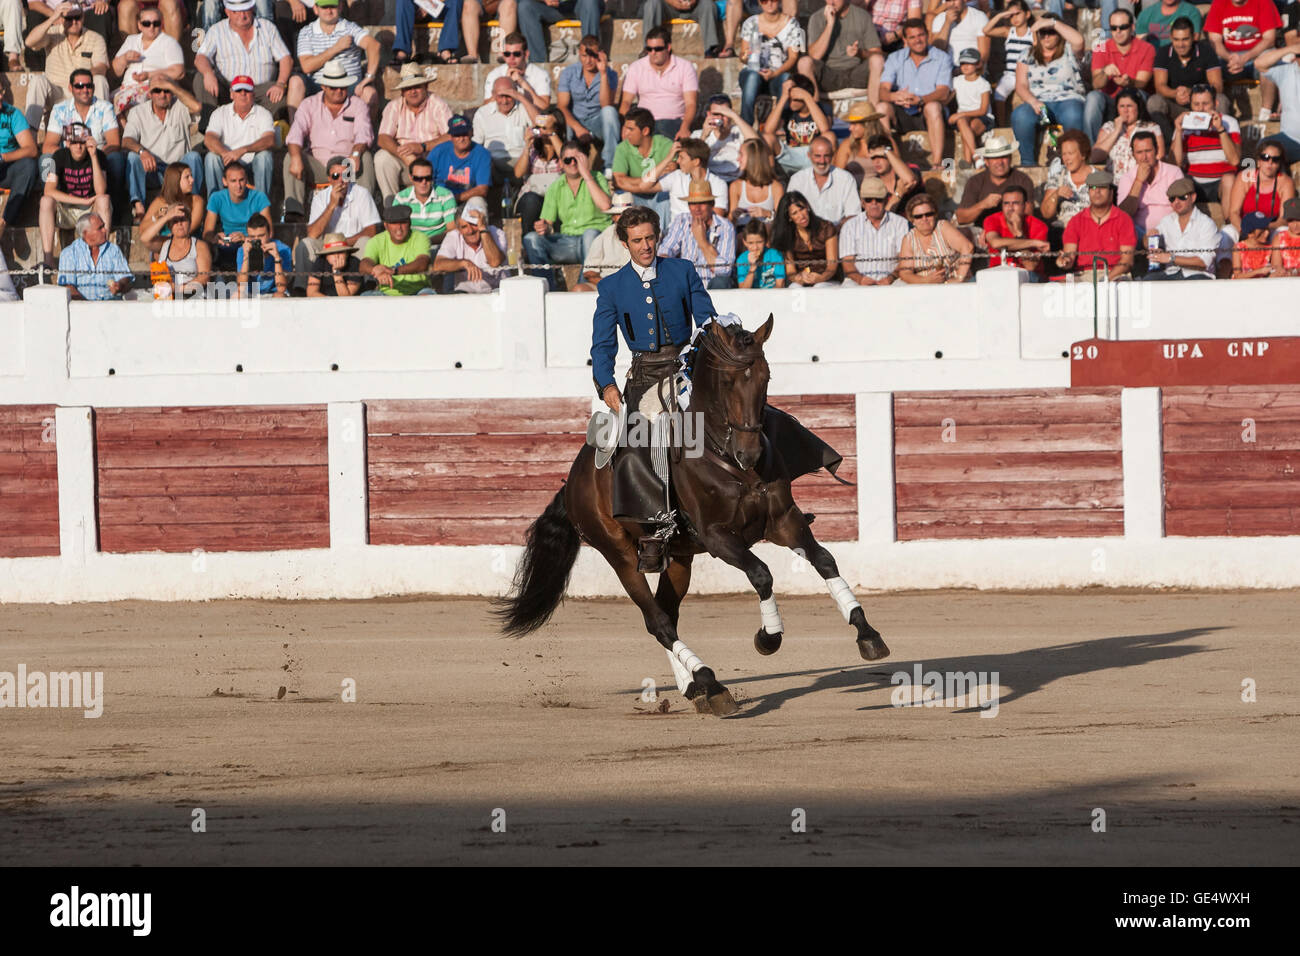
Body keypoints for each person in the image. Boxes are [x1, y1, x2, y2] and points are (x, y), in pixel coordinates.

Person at [590, 203, 719, 568]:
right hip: (644, 376)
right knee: (635, 445)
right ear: (624, 243)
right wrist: (606, 385)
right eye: (637, 240)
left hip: (684, 370)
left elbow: (707, 320)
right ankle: (653, 530)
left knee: (716, 428)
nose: (645, 246)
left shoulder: (682, 270)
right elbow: (602, 345)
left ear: (658, 237)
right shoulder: (612, 287)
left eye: (649, 238)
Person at [283, 60, 376, 220]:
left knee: (365, 156)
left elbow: (364, 133)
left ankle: (365, 210)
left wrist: (355, 153)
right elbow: (295, 132)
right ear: (324, 87)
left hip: (347, 164)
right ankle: (294, 213)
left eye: (343, 86)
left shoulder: (358, 105)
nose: (339, 90)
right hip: (319, 166)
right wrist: (296, 157)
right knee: (291, 156)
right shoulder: (309, 104)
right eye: (334, 87)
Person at [524, 140, 613, 288]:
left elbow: (605, 205)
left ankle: (584, 288)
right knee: (531, 238)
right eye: (568, 159)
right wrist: (543, 227)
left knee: (590, 234)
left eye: (577, 159)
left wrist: (586, 175)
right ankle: (546, 289)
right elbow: (547, 223)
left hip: (595, 241)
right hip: (567, 242)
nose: (572, 163)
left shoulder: (597, 177)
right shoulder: (555, 186)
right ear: (561, 163)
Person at [193, 0, 293, 123]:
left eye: (245, 10)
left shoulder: (267, 27)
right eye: (236, 12)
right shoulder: (217, 30)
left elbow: (285, 58)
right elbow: (200, 57)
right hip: (228, 88)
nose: (242, 15)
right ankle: (210, 126)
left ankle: (256, 125)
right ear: (227, 12)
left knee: (283, 96)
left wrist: (281, 83)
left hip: (260, 90)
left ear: (252, 9)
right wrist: (208, 74)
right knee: (201, 78)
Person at [122, 80, 204, 223]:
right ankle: (139, 208)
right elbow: (126, 140)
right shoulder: (138, 112)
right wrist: (142, 151)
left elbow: (197, 106)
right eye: (157, 90)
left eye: (166, 91)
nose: (162, 94)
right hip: (151, 171)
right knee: (133, 157)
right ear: (150, 94)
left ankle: (192, 205)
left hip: (177, 172)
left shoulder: (180, 107)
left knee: (194, 157)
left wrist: (172, 86)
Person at [294, 153, 382, 285]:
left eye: (345, 175)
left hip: (353, 246)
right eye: (336, 176)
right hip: (327, 247)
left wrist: (343, 244)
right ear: (329, 178)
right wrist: (331, 205)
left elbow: (372, 230)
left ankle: (368, 286)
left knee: (366, 242)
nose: (341, 180)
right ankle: (302, 289)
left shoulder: (362, 193)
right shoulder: (320, 198)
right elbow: (312, 234)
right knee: (305, 245)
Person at [1011, 14, 1087, 166]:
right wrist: (1033, 102)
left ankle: (1074, 160)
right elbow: (1020, 85)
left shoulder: (1069, 50)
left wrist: (1053, 23)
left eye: (1050, 32)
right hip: (1040, 104)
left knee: (1072, 114)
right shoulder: (1027, 54)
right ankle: (1028, 163)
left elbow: (1079, 40)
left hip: (1068, 100)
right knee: (1020, 115)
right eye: (1042, 32)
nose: (1046, 36)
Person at [23, 2, 111, 131]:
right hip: (56, 91)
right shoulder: (53, 33)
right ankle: (30, 135)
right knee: (37, 80)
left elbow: (101, 67)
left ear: (83, 17)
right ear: (62, 19)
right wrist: (53, 18)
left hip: (83, 90)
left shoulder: (95, 38)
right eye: (69, 18)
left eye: (77, 17)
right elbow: (29, 42)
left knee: (100, 80)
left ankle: (102, 134)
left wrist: (80, 79)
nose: (74, 22)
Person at [878, 18, 953, 169]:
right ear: (905, 40)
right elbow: (883, 91)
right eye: (912, 37)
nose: (917, 40)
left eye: (920, 35)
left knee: (932, 107)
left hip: (927, 111)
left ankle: (937, 163)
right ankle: (894, 163)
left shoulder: (942, 58)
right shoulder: (895, 58)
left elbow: (943, 91)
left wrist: (920, 100)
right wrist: (895, 96)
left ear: (927, 35)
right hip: (902, 110)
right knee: (881, 109)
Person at [375, 64, 453, 201]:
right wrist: (404, 155)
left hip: (431, 163)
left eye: (416, 87)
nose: (413, 92)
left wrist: (423, 146)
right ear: (402, 92)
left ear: (426, 87)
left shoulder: (438, 104)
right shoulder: (394, 106)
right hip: (404, 162)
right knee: (382, 158)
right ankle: (391, 205)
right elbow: (382, 138)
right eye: (408, 88)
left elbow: (451, 135)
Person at [289, 0, 380, 113]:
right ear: (316, 9)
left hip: (349, 86)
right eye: (324, 7)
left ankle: (364, 130)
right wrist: (336, 48)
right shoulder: (306, 32)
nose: (328, 10)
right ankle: (294, 129)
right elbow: (307, 66)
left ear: (340, 7)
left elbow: (374, 46)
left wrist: (369, 77)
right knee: (295, 82)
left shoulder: (350, 28)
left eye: (332, 6)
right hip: (319, 86)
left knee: (370, 93)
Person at [39, 131, 111, 268]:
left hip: (91, 211)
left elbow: (101, 191)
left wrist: (94, 156)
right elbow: (48, 190)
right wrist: (82, 201)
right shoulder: (59, 156)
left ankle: (103, 257)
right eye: (74, 143)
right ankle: (48, 260)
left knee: (104, 199)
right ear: (67, 143)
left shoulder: (99, 156)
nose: (78, 147)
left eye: (82, 143)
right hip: (68, 208)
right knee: (45, 201)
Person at [40, 69, 121, 190]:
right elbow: (48, 146)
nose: (84, 90)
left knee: (116, 158)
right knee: (46, 160)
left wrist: (90, 157)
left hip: (97, 159)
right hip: (68, 161)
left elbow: (114, 144)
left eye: (88, 86)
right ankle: (52, 199)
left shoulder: (105, 108)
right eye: (79, 86)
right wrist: (72, 156)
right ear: (70, 88)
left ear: (93, 87)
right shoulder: (60, 109)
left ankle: (113, 202)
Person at [1084, 8, 1156, 143]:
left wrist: (1129, 83)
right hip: (1110, 101)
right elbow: (1096, 84)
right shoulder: (1101, 47)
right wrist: (1105, 72)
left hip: (1136, 100)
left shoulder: (1146, 48)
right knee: (1093, 97)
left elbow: (1142, 83)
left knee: (1138, 94)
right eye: (1113, 28)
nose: (1118, 32)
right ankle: (1092, 149)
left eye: (1123, 27)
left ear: (1132, 27)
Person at [799, 0, 884, 109]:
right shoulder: (816, 18)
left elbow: (877, 52)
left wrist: (860, 53)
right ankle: (815, 113)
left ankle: (874, 113)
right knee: (804, 62)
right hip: (829, 74)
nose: (832, 2)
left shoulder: (862, 16)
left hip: (855, 72)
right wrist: (830, 24)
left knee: (877, 60)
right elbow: (815, 56)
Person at [1148, 17, 1230, 129]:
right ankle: (1169, 141)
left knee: (1221, 100)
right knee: (1154, 101)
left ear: (1194, 37)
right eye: (1176, 39)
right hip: (1176, 105)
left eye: (1185, 39)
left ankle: (1219, 139)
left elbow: (1218, 86)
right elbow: (1159, 86)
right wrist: (1175, 94)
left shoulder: (1206, 50)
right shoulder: (1163, 52)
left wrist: (1192, 93)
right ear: (1171, 38)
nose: (1180, 44)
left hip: (1203, 105)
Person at [1205, 0, 1281, 121]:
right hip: (1228, 58)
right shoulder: (1218, 3)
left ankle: (1266, 111)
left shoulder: (1263, 2)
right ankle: (1216, 112)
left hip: (1256, 56)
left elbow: (1269, 39)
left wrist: (1245, 57)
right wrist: (1230, 58)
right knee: (1209, 63)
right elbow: (1215, 41)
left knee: (1269, 58)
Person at [620, 26, 700, 140]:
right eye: (649, 49)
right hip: (644, 122)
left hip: (674, 122)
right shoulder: (636, 67)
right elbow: (626, 102)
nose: (653, 53)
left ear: (668, 47)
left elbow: (691, 104)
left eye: (658, 49)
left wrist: (685, 127)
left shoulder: (685, 67)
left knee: (662, 128)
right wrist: (625, 126)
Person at [202, 75, 275, 199]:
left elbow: (269, 139)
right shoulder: (220, 113)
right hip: (227, 162)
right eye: (238, 90)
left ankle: (261, 210)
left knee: (265, 157)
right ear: (231, 94)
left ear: (253, 94)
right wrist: (226, 153)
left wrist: (242, 150)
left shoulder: (263, 113)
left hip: (252, 164)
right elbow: (209, 139)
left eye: (247, 90)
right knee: (211, 158)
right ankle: (216, 208)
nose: (243, 94)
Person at [1055, 169, 1136, 279]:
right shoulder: (1076, 221)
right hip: (1084, 275)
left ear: (1111, 192)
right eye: (1093, 188)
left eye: (1102, 187)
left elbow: (1127, 262)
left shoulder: (1124, 219)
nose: (1097, 191)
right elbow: (1070, 255)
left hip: (1115, 274)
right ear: (1088, 192)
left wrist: (1106, 279)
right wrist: (1064, 261)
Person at [658, 179, 738, 289]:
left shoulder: (725, 226)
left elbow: (725, 270)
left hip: (713, 285)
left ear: (712, 204)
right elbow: (665, 251)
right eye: (693, 203)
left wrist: (702, 241)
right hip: (686, 283)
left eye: (702, 203)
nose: (697, 208)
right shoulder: (682, 220)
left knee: (721, 281)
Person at [557, 35, 620, 171]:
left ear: (600, 54)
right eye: (584, 56)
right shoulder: (569, 73)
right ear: (579, 54)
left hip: (598, 122)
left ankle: (610, 166)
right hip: (576, 120)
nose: (588, 60)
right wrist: (577, 127)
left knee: (610, 112)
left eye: (592, 55)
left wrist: (603, 74)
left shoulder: (611, 74)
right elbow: (562, 106)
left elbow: (606, 105)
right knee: (567, 118)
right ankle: (569, 165)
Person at [738, 0, 805, 126]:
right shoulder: (751, 22)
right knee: (752, 76)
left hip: (777, 74)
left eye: (773, 0)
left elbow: (793, 57)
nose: (769, 4)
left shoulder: (792, 24)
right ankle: (745, 125)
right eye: (764, 0)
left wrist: (775, 73)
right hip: (753, 73)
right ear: (759, 2)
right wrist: (745, 56)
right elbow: (743, 55)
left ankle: (781, 124)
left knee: (786, 79)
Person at [1170, 84, 1240, 204]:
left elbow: (1234, 160)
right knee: (1176, 180)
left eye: (1205, 104)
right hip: (1193, 183)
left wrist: (1220, 130)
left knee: (1229, 179)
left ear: (1216, 104)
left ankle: (1229, 222)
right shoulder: (1184, 125)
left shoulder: (1229, 122)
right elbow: (1174, 163)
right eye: (1196, 104)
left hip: (1221, 182)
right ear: (1190, 105)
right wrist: (1179, 131)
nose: (1200, 109)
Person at [111, 5, 185, 117]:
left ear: (161, 24)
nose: (151, 27)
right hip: (126, 88)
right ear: (139, 25)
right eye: (146, 24)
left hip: (152, 88)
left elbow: (179, 72)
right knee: (106, 105)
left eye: (156, 23)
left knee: (136, 102)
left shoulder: (169, 43)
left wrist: (149, 75)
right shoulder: (131, 40)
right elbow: (114, 71)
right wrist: (124, 58)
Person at [955, 133, 1036, 234]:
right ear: (986, 161)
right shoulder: (975, 181)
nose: (999, 162)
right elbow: (961, 218)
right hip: (982, 232)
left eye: (1003, 157)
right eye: (994, 158)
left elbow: (1028, 215)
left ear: (1010, 158)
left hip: (1013, 231)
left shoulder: (1022, 180)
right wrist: (983, 204)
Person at [1140, 176, 1217, 280]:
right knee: (1148, 281)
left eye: (1182, 197)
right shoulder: (1166, 221)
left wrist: (1171, 258)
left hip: (1198, 275)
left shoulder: (1206, 224)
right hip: (1171, 274)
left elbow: (1203, 262)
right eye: (1172, 199)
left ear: (1193, 197)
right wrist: (1148, 238)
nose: (1177, 202)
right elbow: (1147, 242)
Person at [612, 108, 677, 225]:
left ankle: (661, 237)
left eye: (630, 129)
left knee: (665, 195)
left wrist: (634, 182)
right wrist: (645, 183)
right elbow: (619, 181)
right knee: (623, 195)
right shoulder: (622, 148)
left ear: (645, 131)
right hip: (635, 197)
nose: (625, 133)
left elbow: (673, 173)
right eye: (625, 128)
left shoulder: (665, 145)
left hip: (659, 195)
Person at [839, 176, 908, 285]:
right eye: (868, 200)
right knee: (848, 289)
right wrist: (860, 279)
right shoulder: (850, 226)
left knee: (903, 286)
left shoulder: (900, 223)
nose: (874, 203)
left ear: (886, 200)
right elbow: (847, 263)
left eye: (878, 199)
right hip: (857, 280)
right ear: (862, 202)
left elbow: (904, 260)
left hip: (893, 280)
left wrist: (890, 278)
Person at [203, 160, 270, 269]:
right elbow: (207, 234)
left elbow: (269, 233)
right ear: (224, 182)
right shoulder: (216, 198)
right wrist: (216, 238)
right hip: (227, 244)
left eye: (241, 180)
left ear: (246, 180)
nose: (238, 185)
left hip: (253, 243)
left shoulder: (259, 197)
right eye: (233, 181)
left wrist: (245, 238)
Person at [433, 197, 509, 293]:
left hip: (496, 292)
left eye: (474, 224)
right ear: (459, 229)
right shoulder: (453, 236)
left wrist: (482, 229)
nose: (470, 230)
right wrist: (464, 263)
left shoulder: (497, 233)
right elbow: (438, 265)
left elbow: (495, 262)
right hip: (465, 295)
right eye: (464, 227)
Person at [1115, 129, 1182, 235]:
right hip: (1140, 234)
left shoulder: (1173, 172)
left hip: (1170, 231)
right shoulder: (1127, 177)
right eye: (1139, 152)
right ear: (1133, 154)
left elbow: (1182, 207)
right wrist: (1138, 181)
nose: (1144, 157)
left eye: (1148, 151)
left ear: (1156, 150)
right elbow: (1124, 214)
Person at [359, 200, 433, 296]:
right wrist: (375, 270)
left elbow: (422, 263)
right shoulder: (376, 241)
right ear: (386, 225)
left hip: (418, 290)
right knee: (366, 297)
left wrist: (393, 271)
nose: (399, 228)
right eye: (394, 223)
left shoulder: (420, 238)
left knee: (427, 296)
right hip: (386, 293)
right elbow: (364, 264)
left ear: (409, 223)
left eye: (403, 222)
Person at [762, 74, 831, 174]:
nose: (790, 103)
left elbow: (825, 129)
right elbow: (767, 130)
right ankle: (771, 183)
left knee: (829, 136)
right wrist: (783, 97)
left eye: (794, 99)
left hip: (815, 155)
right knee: (767, 138)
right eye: (789, 99)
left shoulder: (822, 108)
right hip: (792, 155)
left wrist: (807, 98)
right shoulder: (787, 110)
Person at [897, 193, 973, 282]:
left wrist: (959, 279)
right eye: (918, 216)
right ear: (912, 220)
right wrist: (926, 281)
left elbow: (967, 247)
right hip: (924, 288)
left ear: (935, 214)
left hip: (952, 285)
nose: (924, 219)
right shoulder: (909, 239)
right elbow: (905, 273)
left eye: (929, 214)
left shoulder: (943, 227)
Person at [474, 77, 538, 181]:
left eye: (509, 96)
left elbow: (540, 124)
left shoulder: (524, 108)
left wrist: (521, 98)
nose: (504, 101)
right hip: (493, 163)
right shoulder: (483, 113)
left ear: (515, 93)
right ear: (494, 95)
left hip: (521, 160)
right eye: (500, 96)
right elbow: (477, 143)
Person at [787, 135, 860, 227]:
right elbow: (790, 213)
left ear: (832, 156)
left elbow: (854, 216)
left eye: (826, 156)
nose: (822, 161)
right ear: (809, 155)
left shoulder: (846, 179)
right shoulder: (797, 180)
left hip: (837, 233)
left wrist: (831, 231)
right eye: (817, 156)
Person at [1092, 89, 1164, 180]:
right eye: (1122, 106)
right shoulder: (1109, 127)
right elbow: (1094, 157)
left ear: (1138, 107)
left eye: (1129, 106)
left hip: (1141, 181)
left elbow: (1159, 156)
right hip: (1113, 183)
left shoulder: (1152, 128)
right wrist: (1117, 130)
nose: (1125, 110)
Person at [57, 211, 131, 299]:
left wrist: (119, 285)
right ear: (86, 233)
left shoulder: (113, 250)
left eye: (104, 226)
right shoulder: (69, 253)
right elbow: (68, 287)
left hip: (111, 307)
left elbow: (125, 277)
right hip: (82, 309)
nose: (105, 230)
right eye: (100, 228)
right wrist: (90, 308)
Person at [771, 190, 839, 286]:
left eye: (802, 209)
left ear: (807, 207)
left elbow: (832, 266)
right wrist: (799, 278)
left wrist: (821, 278)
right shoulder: (788, 234)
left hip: (827, 279)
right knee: (795, 289)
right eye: (795, 213)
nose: (801, 216)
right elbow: (791, 272)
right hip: (803, 279)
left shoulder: (826, 228)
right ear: (789, 217)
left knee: (820, 288)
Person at [1228, 141, 1295, 237]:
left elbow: (1283, 219)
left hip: (1271, 228)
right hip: (1244, 227)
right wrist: (1246, 230)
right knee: (1228, 231)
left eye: (1275, 159)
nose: (1270, 162)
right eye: (1265, 158)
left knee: (1282, 231)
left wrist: (1262, 229)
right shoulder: (1245, 177)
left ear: (1280, 163)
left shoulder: (1286, 182)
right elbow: (1234, 212)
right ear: (1258, 161)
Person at [982, 184, 1049, 280]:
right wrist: (1033, 242)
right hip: (997, 274)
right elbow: (995, 243)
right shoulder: (992, 220)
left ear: (1025, 205)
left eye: (1015, 203)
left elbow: (1030, 266)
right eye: (1006, 203)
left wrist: (1019, 232)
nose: (1010, 208)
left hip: (1027, 276)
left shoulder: (1039, 226)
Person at [983, 0, 1035, 124]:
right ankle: (1001, 125)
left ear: (1027, 14)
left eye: (1017, 13)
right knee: (999, 94)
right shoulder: (1008, 31)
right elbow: (986, 30)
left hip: (1029, 74)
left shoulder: (1032, 33)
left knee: (1035, 97)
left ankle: (1043, 123)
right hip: (1010, 74)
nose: (1014, 18)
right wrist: (1001, 15)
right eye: (1011, 15)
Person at [139, 161, 206, 256]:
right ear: (176, 180)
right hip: (166, 242)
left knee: (162, 250)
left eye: (191, 176)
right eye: (187, 177)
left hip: (188, 242)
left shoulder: (196, 200)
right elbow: (143, 230)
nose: (192, 180)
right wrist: (157, 216)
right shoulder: (160, 201)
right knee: (152, 243)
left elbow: (190, 228)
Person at [512, 109, 565, 228]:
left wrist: (552, 134)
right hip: (532, 197)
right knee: (531, 200)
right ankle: (527, 239)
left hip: (555, 198)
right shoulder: (533, 151)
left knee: (557, 204)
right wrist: (527, 145)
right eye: (539, 127)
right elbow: (518, 174)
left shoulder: (565, 148)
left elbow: (566, 160)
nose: (542, 130)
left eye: (545, 127)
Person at [1039, 128, 1098, 234]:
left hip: (1092, 232)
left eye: (1070, 153)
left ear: (1083, 154)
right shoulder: (1057, 178)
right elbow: (1046, 213)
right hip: (1064, 233)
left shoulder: (1099, 178)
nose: (1066, 158)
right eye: (1064, 154)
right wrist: (1056, 195)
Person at [150, 197, 212, 297]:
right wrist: (165, 218)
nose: (179, 224)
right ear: (170, 225)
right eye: (175, 221)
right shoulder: (164, 246)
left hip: (194, 297)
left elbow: (204, 278)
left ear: (189, 222)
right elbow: (146, 239)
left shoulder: (200, 246)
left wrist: (177, 288)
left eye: (183, 219)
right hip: (169, 298)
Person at [658, 138, 728, 223]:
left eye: (681, 158)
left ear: (696, 162)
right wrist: (668, 158)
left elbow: (716, 219)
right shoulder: (676, 176)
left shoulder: (719, 184)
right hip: (676, 232)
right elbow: (645, 185)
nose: (677, 161)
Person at [391, 158, 456, 246]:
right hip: (410, 245)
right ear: (411, 178)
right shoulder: (401, 198)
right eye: (418, 178)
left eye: (428, 178)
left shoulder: (446, 196)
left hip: (439, 245)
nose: (423, 182)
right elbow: (395, 229)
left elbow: (452, 230)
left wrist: (427, 242)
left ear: (432, 177)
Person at [573, 195, 632, 291]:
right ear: (613, 217)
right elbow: (589, 272)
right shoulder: (603, 238)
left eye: (626, 214)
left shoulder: (642, 235)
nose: (623, 218)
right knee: (578, 289)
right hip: (607, 283)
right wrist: (609, 286)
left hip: (635, 284)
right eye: (618, 214)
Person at [428, 113, 493, 202]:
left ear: (472, 132)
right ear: (451, 137)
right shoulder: (438, 151)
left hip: (468, 199)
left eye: (465, 134)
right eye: (457, 135)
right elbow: (425, 178)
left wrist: (453, 199)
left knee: (478, 202)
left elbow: (482, 189)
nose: (461, 138)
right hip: (440, 198)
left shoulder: (482, 154)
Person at [518, 0, 604, 64]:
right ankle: (538, 65)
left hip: (582, 4)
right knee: (525, 7)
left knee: (590, 2)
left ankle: (591, 58)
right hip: (550, 8)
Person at [1257, 39, 1300, 163]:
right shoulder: (1287, 71)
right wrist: (1289, 49)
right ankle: (1273, 182)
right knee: (1265, 147)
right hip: (1290, 139)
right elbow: (1259, 64)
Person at [483, 32, 552, 107]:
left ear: (526, 54)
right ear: (503, 55)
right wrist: (506, 82)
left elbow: (544, 106)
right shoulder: (494, 74)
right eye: (507, 54)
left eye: (516, 54)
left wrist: (523, 83)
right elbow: (486, 107)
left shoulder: (540, 74)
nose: (511, 58)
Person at [729, 136, 785, 228]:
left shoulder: (775, 187)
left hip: (767, 233)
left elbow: (782, 220)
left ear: (753, 158)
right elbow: (730, 223)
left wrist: (766, 213)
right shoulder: (736, 186)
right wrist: (734, 215)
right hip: (742, 234)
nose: (738, 159)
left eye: (741, 155)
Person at [950, 48, 993, 167]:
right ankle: (976, 158)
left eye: (969, 63)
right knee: (963, 124)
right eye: (963, 63)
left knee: (970, 128)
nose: (965, 66)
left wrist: (960, 114)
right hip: (963, 118)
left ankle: (969, 160)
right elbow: (949, 97)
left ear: (978, 64)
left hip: (982, 117)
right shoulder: (956, 81)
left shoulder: (983, 84)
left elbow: (983, 110)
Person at [0, 99, 37, 237]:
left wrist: (2, 157)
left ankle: (5, 221)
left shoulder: (12, 113)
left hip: (6, 167)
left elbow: (31, 149)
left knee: (29, 165)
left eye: (0, 92)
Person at [641, 0, 720, 60]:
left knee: (708, 4)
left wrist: (693, 1)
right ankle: (649, 48)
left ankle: (711, 49)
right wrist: (674, 3)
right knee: (651, 3)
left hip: (694, 7)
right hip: (669, 6)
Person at [863, 133, 922, 214]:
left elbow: (909, 180)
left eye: (881, 156)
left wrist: (886, 151)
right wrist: (898, 193)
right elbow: (881, 218)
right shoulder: (874, 183)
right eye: (873, 157)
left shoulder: (910, 168)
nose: (876, 162)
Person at [235, 213, 291, 297]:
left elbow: (281, 288)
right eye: (252, 237)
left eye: (261, 236)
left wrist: (277, 258)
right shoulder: (242, 250)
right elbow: (241, 287)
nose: (257, 240)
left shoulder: (283, 249)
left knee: (280, 296)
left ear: (269, 234)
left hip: (273, 293)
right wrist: (246, 257)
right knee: (236, 296)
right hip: (251, 293)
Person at [694, 97, 747, 182]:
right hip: (709, 183)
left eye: (724, 114)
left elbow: (758, 145)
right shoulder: (697, 135)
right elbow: (691, 162)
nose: (720, 118)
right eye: (716, 114)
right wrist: (704, 136)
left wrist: (734, 116)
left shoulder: (740, 131)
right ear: (708, 114)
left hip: (736, 181)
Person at [453, 0, 518, 65]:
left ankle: (504, 52)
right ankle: (472, 55)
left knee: (509, 3)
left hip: (502, 4)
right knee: (469, 3)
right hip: (480, 4)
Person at [734, 219, 786, 288]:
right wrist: (752, 269)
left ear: (766, 240)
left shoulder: (776, 255)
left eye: (759, 242)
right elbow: (743, 291)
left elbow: (780, 285)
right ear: (744, 242)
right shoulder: (741, 260)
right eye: (750, 243)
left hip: (773, 295)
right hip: (751, 297)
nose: (755, 247)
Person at [307, 232, 363, 296]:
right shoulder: (320, 261)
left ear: (347, 253)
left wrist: (336, 272)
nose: (336, 256)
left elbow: (346, 297)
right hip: (326, 302)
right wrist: (330, 303)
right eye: (332, 253)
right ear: (326, 256)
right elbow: (311, 292)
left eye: (340, 252)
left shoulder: (354, 263)